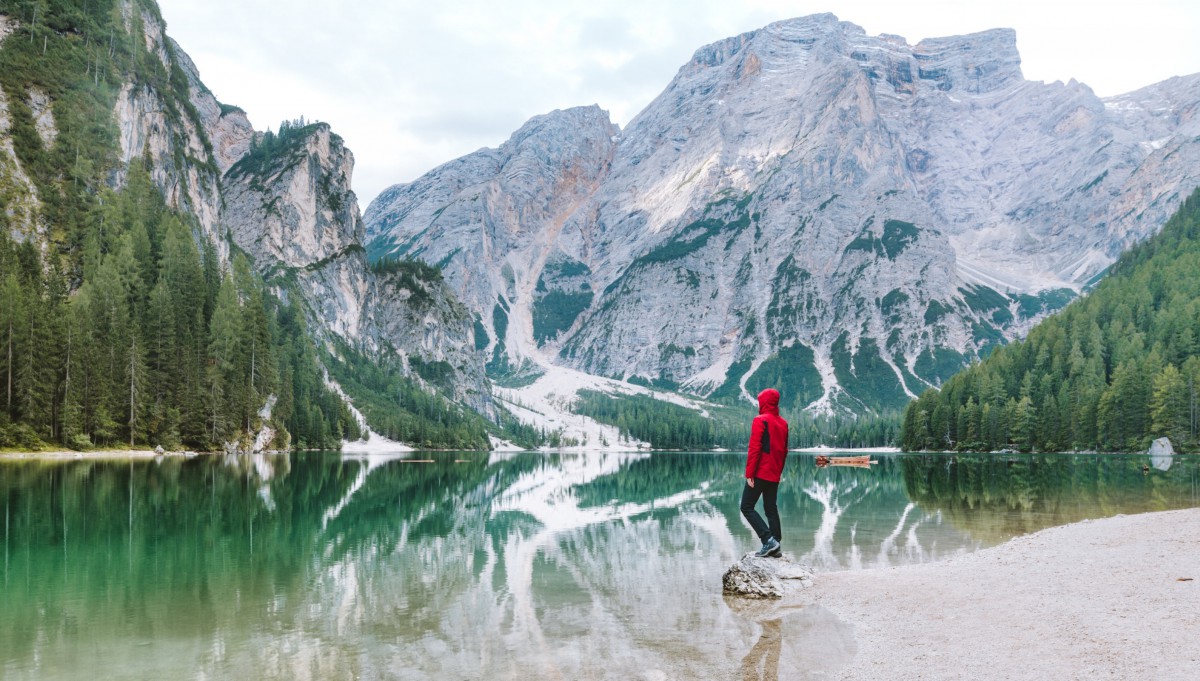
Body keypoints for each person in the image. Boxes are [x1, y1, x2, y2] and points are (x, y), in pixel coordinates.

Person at [740, 388, 789, 558]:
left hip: (760, 471)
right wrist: (778, 472)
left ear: (764, 402)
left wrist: (749, 473)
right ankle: (776, 543)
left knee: (746, 506)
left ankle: (768, 540)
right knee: (770, 508)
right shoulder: (783, 423)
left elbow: (755, 448)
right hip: (774, 472)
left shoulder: (760, 420)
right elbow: (784, 451)